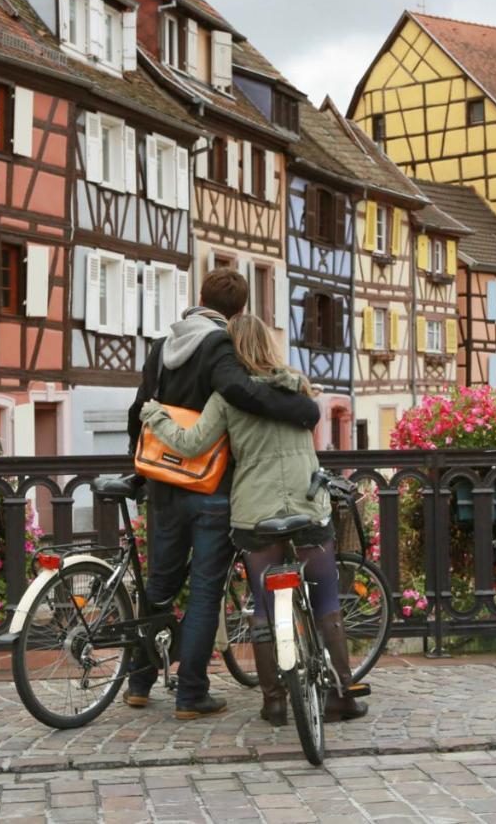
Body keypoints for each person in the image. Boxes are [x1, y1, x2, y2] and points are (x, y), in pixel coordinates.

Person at [140, 315, 367, 726]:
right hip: (307, 504)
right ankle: (342, 696)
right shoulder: (298, 387)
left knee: (263, 608)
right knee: (326, 604)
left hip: (254, 512)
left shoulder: (226, 398)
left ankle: (274, 702)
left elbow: (190, 444)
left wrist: (155, 416)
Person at [125, 269, 320, 721]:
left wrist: (137, 469)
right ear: (239, 312)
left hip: (163, 483)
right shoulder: (221, 344)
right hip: (211, 484)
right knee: (204, 592)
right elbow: (239, 391)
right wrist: (302, 409)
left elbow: (139, 409)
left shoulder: (161, 347)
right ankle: (191, 693)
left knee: (159, 584)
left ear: (199, 297)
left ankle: (139, 681)